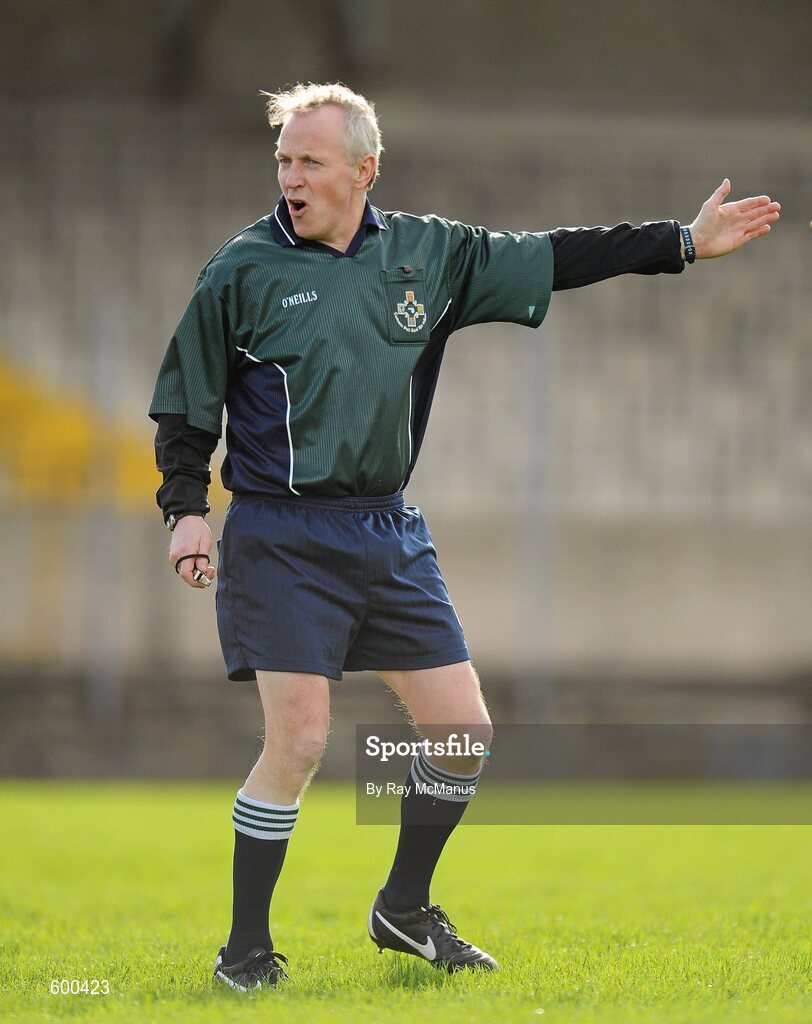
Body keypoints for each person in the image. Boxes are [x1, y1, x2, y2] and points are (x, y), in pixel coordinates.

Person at [149, 82, 780, 991]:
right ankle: (245, 951)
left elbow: (555, 255)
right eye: (283, 159)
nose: (291, 177)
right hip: (281, 534)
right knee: (301, 742)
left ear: (365, 169)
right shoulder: (240, 272)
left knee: (462, 732)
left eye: (311, 161)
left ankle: (402, 909)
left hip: (386, 530)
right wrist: (184, 513)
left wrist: (681, 243)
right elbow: (185, 406)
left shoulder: (428, 255)